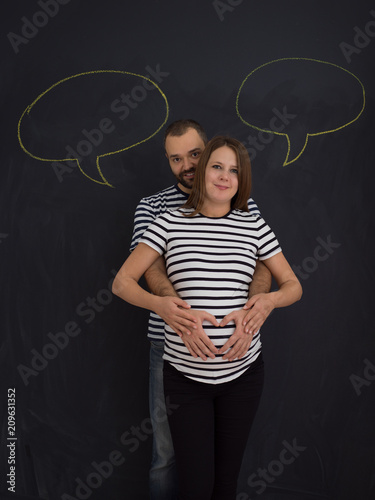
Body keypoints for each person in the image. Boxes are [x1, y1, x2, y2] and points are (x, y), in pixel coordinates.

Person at [114, 135, 302, 499]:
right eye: (217, 166)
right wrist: (161, 305)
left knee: (226, 481)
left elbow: (293, 285)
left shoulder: (254, 225)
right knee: (195, 484)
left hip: (243, 374)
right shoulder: (168, 221)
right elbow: (122, 283)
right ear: (202, 172)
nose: (224, 176)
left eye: (234, 170)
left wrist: (268, 302)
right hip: (185, 378)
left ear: (241, 180)